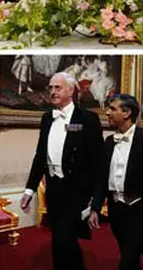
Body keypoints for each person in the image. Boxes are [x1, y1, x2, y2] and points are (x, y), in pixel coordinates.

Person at [20, 72, 105, 270]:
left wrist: (96, 201)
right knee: (59, 241)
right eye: (50, 88)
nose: (52, 92)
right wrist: (29, 190)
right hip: (54, 189)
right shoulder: (47, 119)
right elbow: (40, 156)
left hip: (76, 191)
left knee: (64, 239)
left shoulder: (87, 119)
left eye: (57, 88)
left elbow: (99, 162)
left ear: (71, 90)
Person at [89, 94, 143, 270]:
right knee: (130, 258)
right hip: (116, 212)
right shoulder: (109, 142)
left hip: (140, 213)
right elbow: (101, 179)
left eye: (113, 108)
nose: (107, 112)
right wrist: (95, 208)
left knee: (128, 260)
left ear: (126, 113)